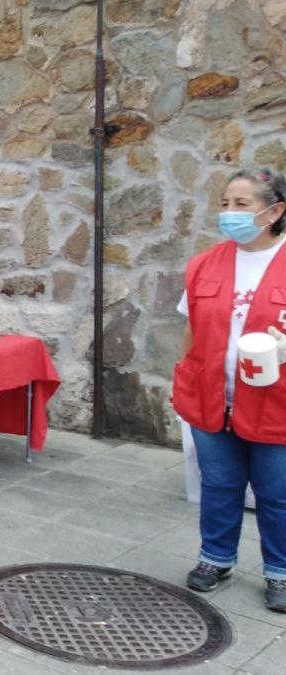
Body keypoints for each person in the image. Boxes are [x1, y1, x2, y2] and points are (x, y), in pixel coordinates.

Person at [174, 168, 286, 613]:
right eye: (225, 203)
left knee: (277, 493)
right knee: (219, 484)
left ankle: (280, 572)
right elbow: (191, 328)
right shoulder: (206, 262)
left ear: (274, 210)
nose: (229, 213)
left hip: (276, 403)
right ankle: (215, 559)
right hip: (212, 397)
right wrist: (183, 372)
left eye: (242, 204)